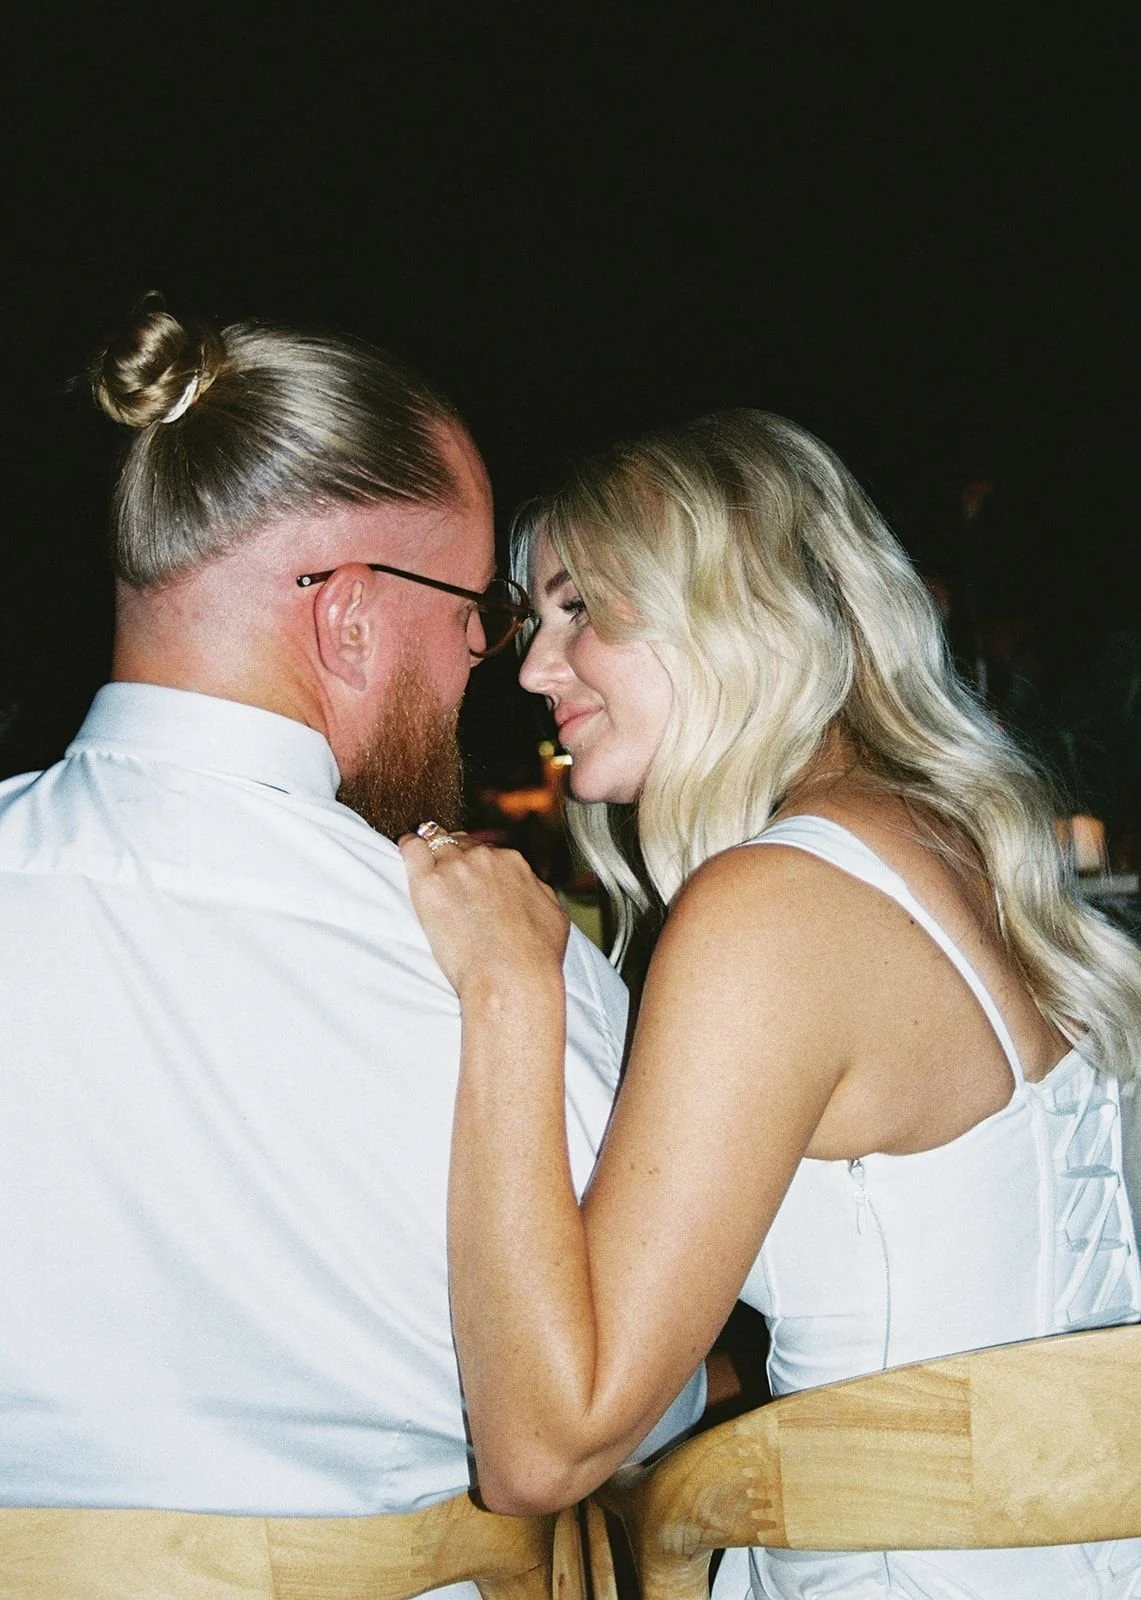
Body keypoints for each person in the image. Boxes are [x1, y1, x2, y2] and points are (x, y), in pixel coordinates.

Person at [0, 297, 703, 1567]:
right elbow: (634, 1411)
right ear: (351, 617)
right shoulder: (495, 960)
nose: (486, 661)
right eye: (475, 610)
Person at [401, 410, 1141, 1599]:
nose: (533, 668)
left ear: (737, 613)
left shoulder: (774, 906)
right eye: (537, 621)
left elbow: (543, 1450)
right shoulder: (943, 844)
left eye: (582, 609)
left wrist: (507, 989)